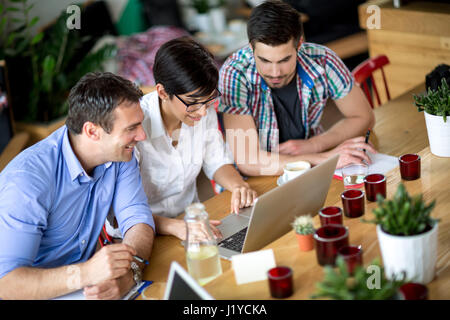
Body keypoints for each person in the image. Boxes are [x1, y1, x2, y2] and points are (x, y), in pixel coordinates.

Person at [0, 72, 155, 300]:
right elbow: (6, 284)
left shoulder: (121, 155)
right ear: (92, 131)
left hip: (85, 290)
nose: (142, 135)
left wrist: (129, 274)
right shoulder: (27, 181)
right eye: (131, 128)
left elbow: (138, 219)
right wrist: (86, 273)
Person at [106, 37, 257, 241]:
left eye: (209, 100)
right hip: (136, 234)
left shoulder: (200, 110)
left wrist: (238, 185)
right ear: (162, 92)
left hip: (190, 222)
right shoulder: (134, 127)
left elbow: (217, 162)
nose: (203, 112)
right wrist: (176, 227)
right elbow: (121, 212)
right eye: (193, 103)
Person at [218, 0, 376, 176]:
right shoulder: (234, 73)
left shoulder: (323, 59)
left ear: (299, 44)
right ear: (251, 47)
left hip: (311, 166)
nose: (275, 72)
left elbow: (364, 117)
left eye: (284, 60)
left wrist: (313, 145)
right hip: (253, 178)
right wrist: (326, 159)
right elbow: (249, 162)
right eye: (265, 61)